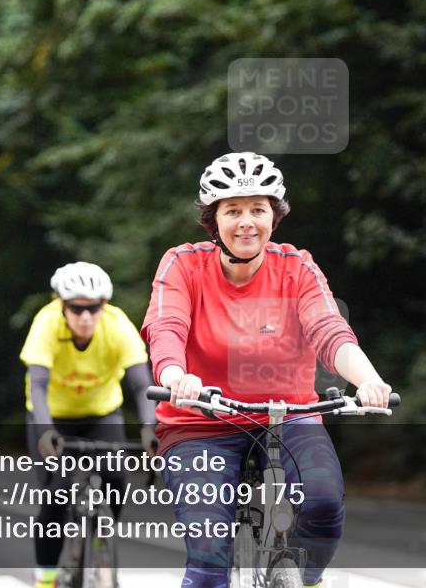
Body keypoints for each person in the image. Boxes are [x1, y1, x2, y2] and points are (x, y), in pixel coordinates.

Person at [141, 152, 393, 588]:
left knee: (322, 504)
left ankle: (305, 580)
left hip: (289, 416)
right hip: (202, 421)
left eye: (257, 209)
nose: (246, 222)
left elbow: (329, 330)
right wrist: (174, 376)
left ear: (274, 217)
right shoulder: (183, 264)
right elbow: (166, 327)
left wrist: (368, 380)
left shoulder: (296, 267)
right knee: (207, 563)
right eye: (232, 210)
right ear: (212, 219)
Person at [20, 261, 157, 588]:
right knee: (57, 495)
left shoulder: (117, 324)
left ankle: (100, 541)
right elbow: (37, 384)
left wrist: (150, 428)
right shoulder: (46, 322)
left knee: (116, 478)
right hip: (52, 417)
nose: (85, 317)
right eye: (77, 309)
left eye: (93, 308)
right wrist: (46, 431)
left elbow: (141, 385)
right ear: (62, 305)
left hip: (101, 414)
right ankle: (46, 578)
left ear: (104, 306)